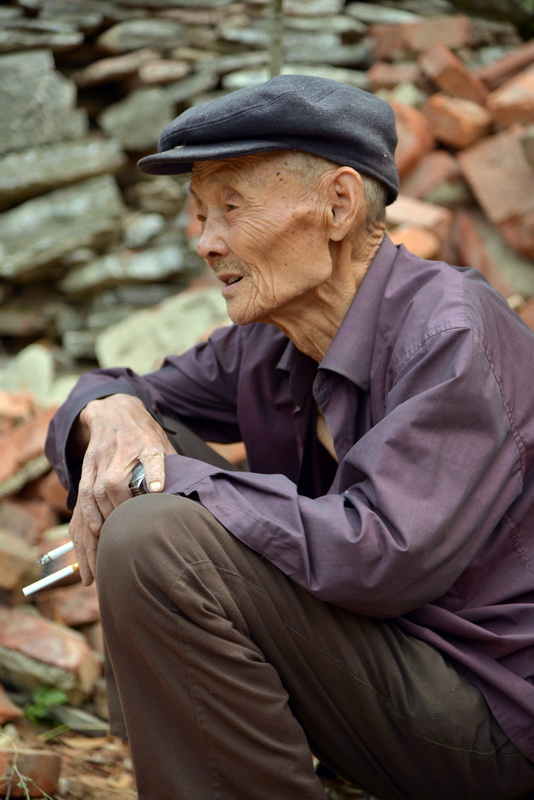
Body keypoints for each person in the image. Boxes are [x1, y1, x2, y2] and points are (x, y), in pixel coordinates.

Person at [45, 75, 534, 800]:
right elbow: (123, 393)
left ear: (338, 205)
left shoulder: (450, 330)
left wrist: (171, 484)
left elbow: (381, 557)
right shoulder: (272, 340)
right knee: (142, 442)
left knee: (155, 536)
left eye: (231, 208)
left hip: (488, 715)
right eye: (200, 214)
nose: (206, 243)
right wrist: (112, 410)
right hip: (376, 681)